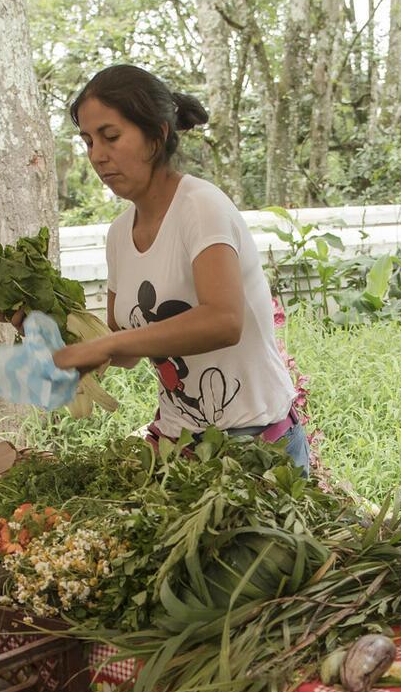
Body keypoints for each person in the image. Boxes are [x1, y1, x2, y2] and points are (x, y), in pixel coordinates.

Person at [53, 64, 308, 470]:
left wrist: (108, 345)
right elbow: (125, 348)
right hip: (180, 444)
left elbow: (224, 321)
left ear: (157, 135)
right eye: (87, 142)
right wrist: (61, 343)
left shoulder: (200, 207)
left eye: (111, 136)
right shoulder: (119, 235)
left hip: (256, 445)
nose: (97, 156)